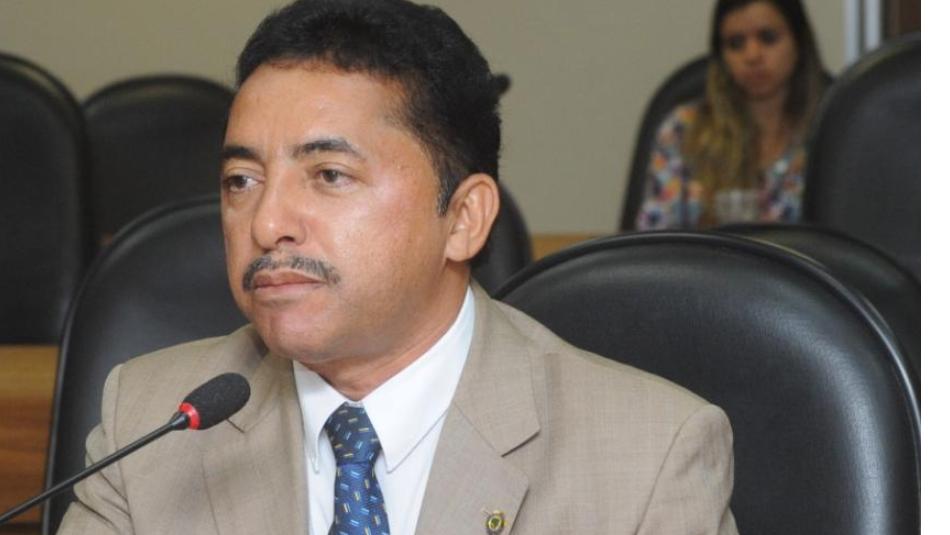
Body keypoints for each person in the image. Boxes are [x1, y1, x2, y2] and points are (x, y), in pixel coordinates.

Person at [58, 1, 738, 533]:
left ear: (464, 217)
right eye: (241, 180)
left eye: (329, 174)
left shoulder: (649, 456)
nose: (266, 224)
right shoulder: (148, 421)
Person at [637, 0, 827, 230]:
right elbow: (653, 241)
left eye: (768, 38)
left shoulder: (833, 132)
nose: (752, 55)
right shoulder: (682, 131)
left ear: (799, 42)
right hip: (703, 255)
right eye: (736, 43)